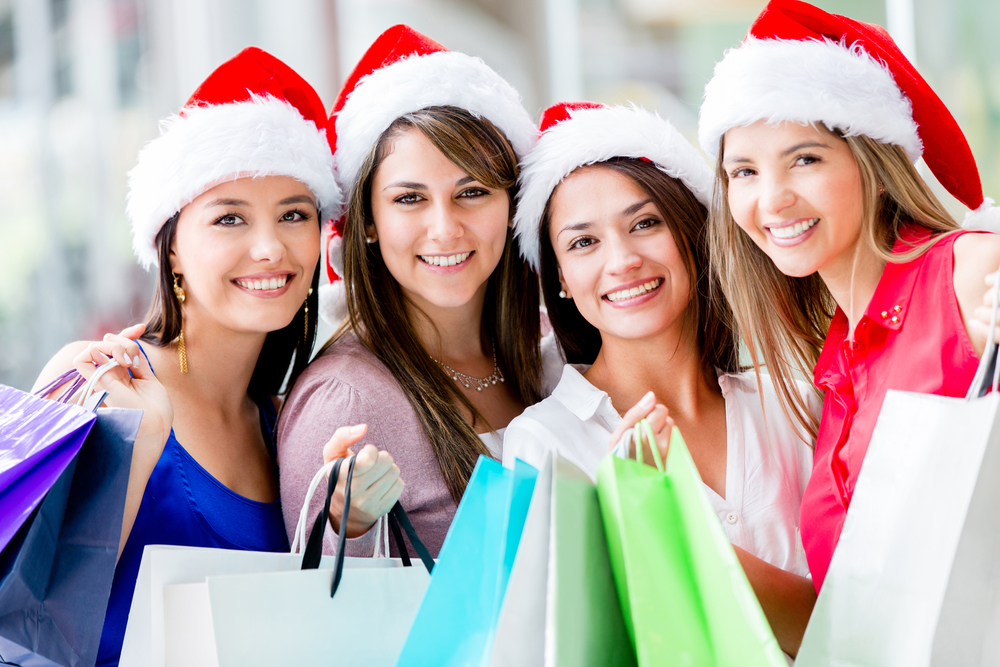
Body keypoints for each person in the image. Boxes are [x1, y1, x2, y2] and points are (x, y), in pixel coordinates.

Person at [32, 48, 340, 666]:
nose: (268, 247)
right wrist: (135, 449)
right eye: (229, 218)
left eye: (293, 215)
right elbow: (31, 617)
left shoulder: (287, 422)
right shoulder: (98, 377)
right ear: (171, 248)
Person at [699, 0, 1000, 595]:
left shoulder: (968, 273)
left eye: (804, 159)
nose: (772, 199)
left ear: (874, 166)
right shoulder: (832, 359)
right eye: (745, 172)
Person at [503, 101, 820, 657]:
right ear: (560, 281)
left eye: (645, 223)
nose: (622, 259)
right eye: (583, 242)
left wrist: (680, 533)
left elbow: (847, 621)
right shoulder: (545, 445)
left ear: (692, 234)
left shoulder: (792, 402)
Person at [277, 25, 563, 559]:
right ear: (367, 221)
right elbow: (324, 608)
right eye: (410, 199)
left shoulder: (553, 349)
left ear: (512, 205)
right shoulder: (347, 398)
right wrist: (349, 523)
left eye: (472, 192)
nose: (445, 228)